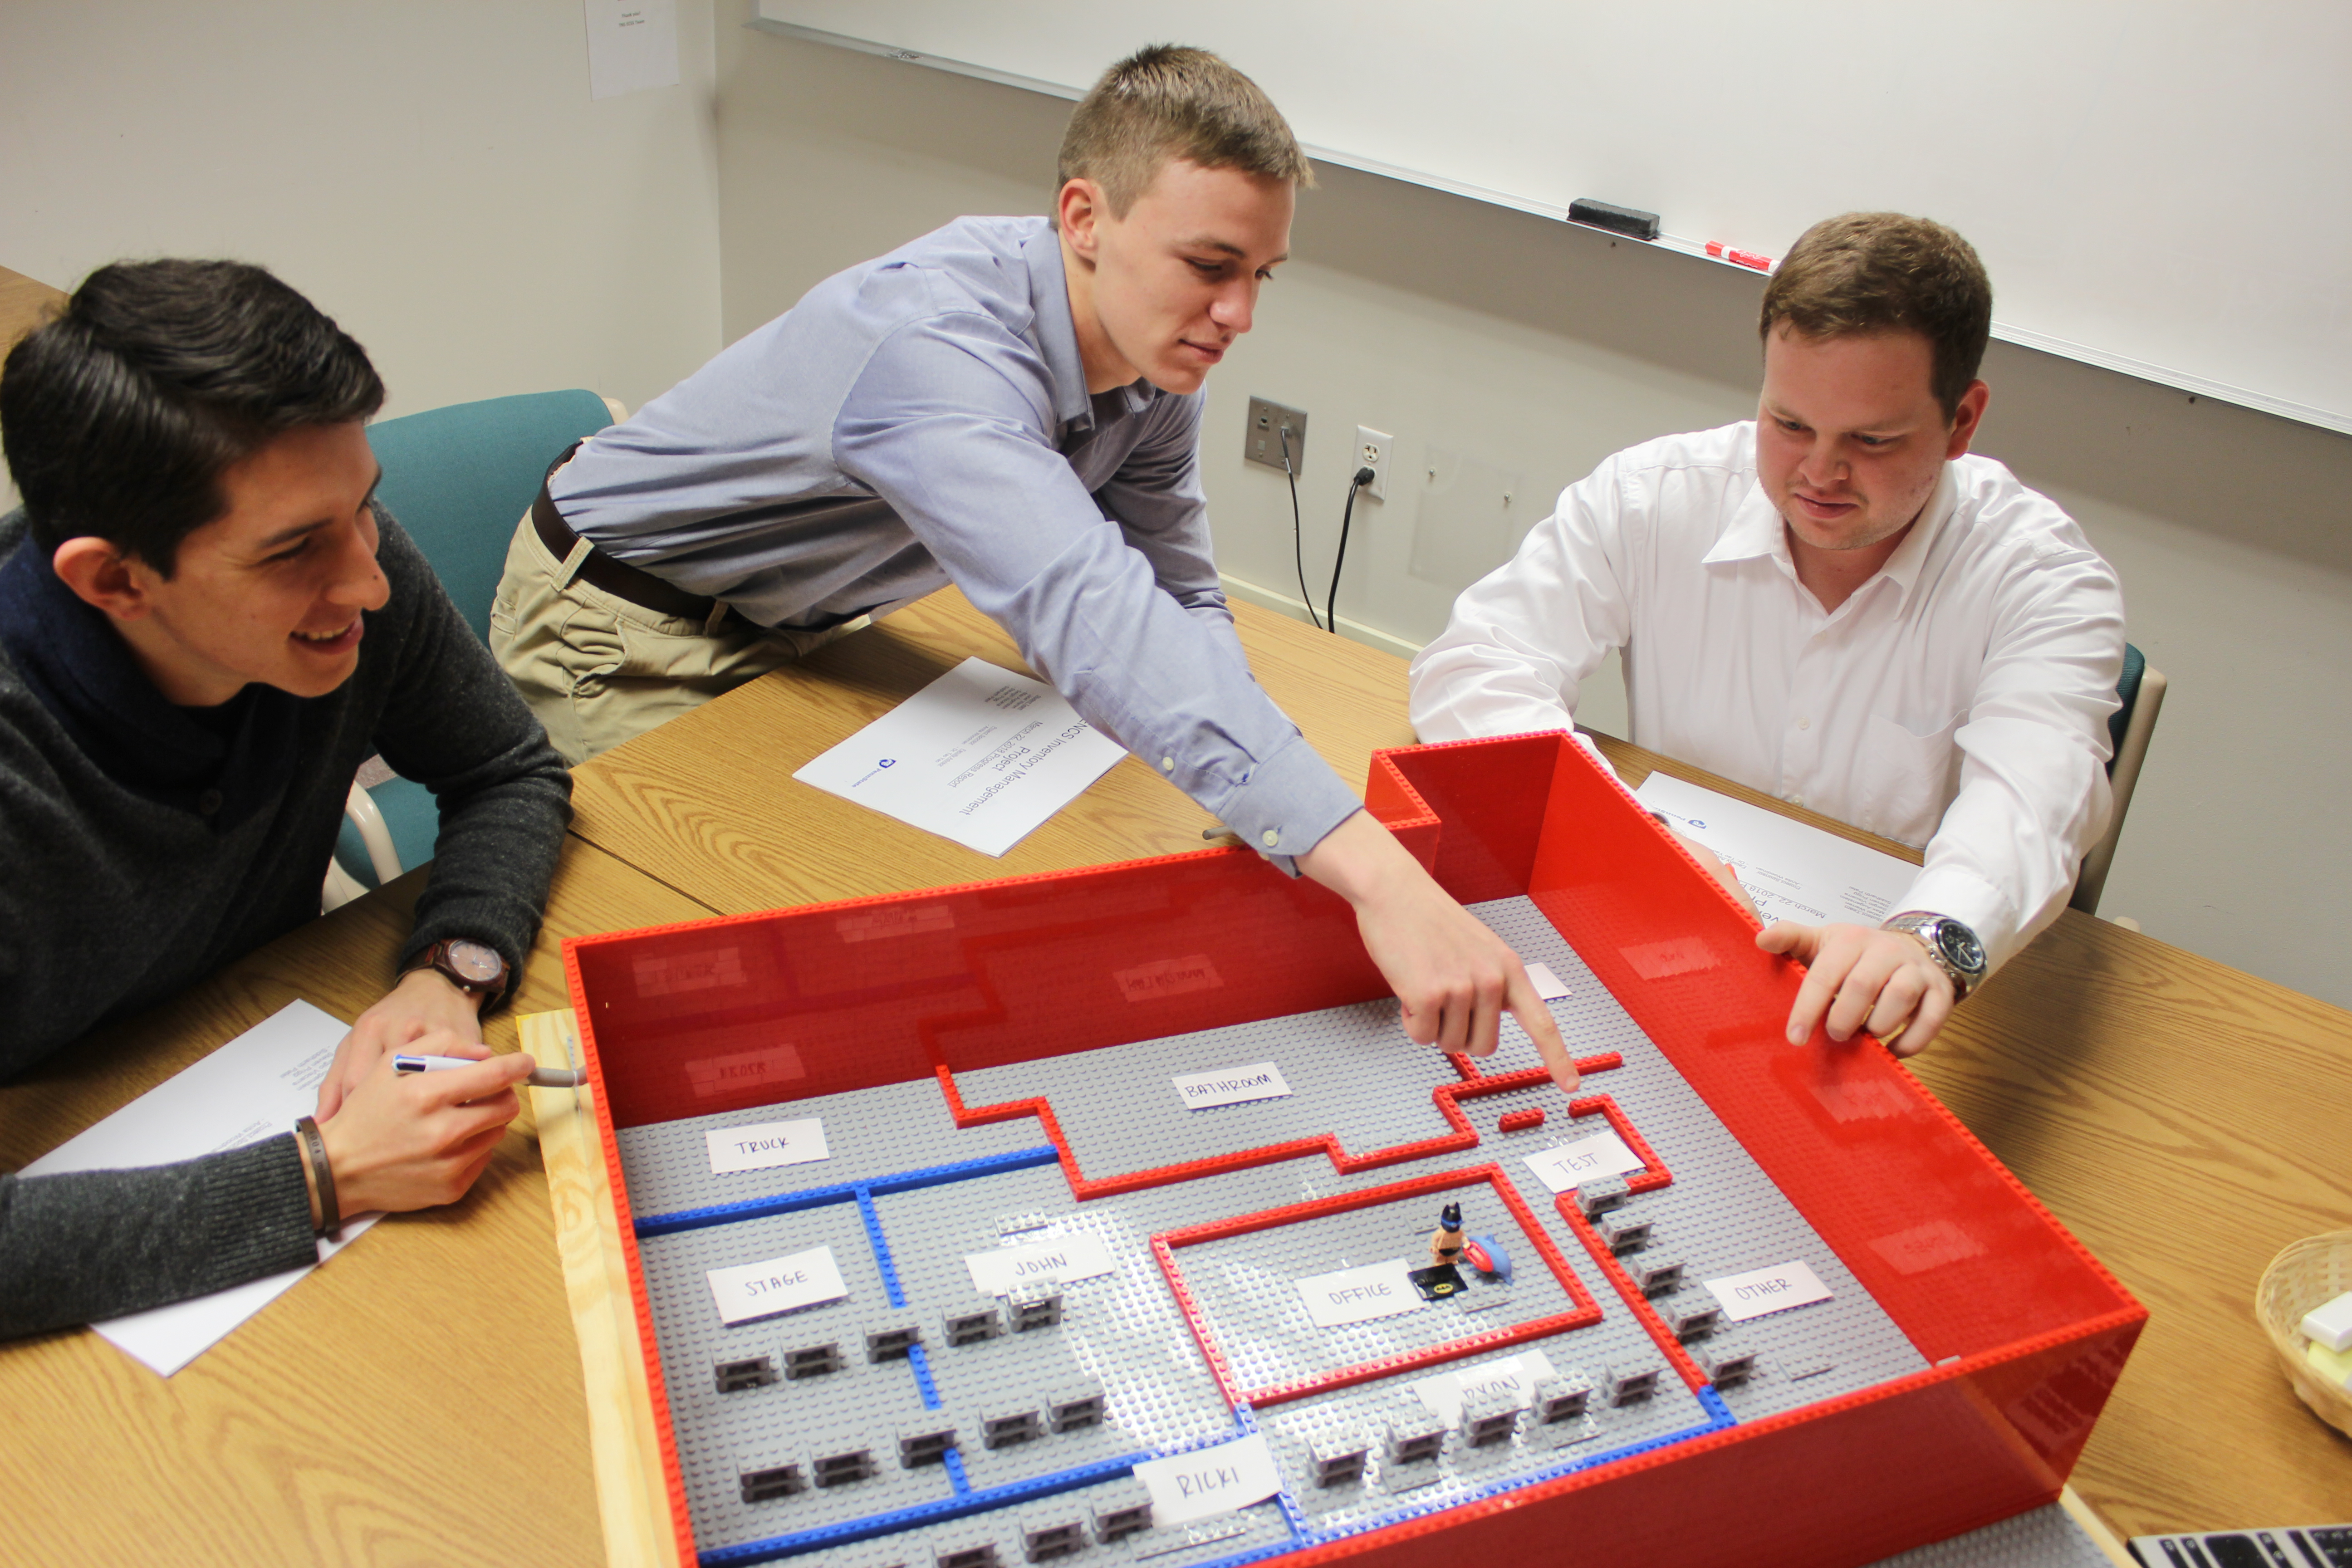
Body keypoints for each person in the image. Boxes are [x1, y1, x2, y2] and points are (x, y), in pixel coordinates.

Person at [491, 44, 1576, 1090]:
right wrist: (1378, 875)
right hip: (617, 622)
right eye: (1209, 267)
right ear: (1084, 219)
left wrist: (1265, 794)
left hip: (799, 624)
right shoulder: (939, 351)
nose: (1239, 316)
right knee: (718, 966)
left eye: (1260, 276)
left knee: (909, 927)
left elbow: (1178, 591)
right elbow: (1088, 609)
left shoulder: (1152, 360)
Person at [0, 259, 573, 1337]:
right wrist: (325, 1176)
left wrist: (451, 970)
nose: (368, 580)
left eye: (364, 508)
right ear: (114, 581)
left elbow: (507, 771)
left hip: (228, 1040)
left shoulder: (347, 572)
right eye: (296, 550)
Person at [1410, 213, 2125, 1058]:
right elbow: (1476, 665)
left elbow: (2036, 802)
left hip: (1866, 1007)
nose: (1819, 473)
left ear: (1963, 422)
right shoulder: (1657, 495)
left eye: (1871, 440)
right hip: (1664, 942)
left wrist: (1927, 942)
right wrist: (1635, 845)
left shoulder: (2043, 579)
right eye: (1788, 424)